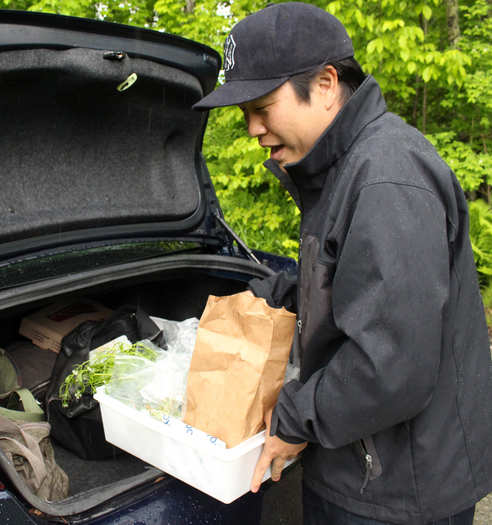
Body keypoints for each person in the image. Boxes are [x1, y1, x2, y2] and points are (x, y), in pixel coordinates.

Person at [193, 3, 492, 524]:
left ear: (327, 84)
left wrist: (294, 416)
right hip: (367, 467)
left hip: (396, 489)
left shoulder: (385, 177)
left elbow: (390, 363)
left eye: (262, 106)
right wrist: (278, 298)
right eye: (244, 114)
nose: (252, 130)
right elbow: (353, 288)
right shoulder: (346, 167)